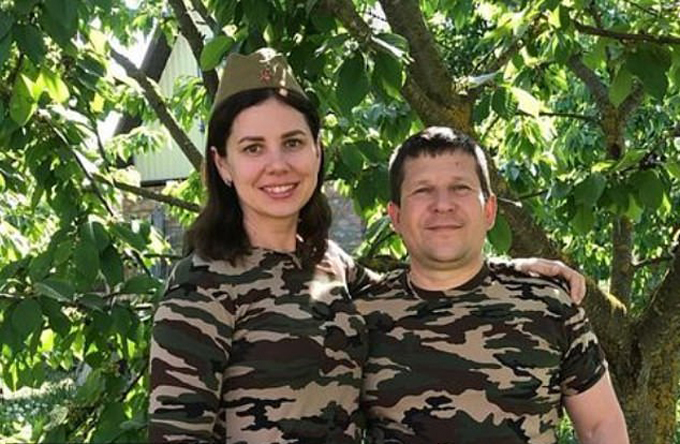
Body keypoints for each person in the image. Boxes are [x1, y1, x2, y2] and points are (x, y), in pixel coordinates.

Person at [147, 48, 590, 443]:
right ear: (223, 164)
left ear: (317, 151)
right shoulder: (201, 285)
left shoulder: (331, 264)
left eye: (293, 142)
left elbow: (422, 285)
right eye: (253, 148)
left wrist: (510, 270)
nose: (277, 164)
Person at [357, 126, 629, 444]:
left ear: (489, 210)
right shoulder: (358, 317)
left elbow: (601, 425)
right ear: (395, 216)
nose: (442, 204)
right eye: (422, 190)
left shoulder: (548, 305)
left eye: (460, 188)